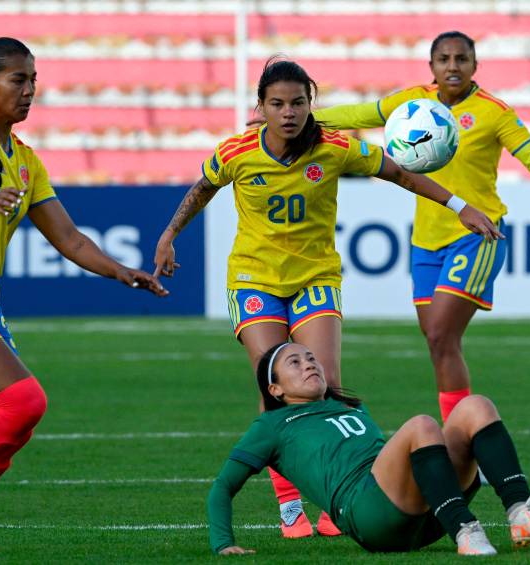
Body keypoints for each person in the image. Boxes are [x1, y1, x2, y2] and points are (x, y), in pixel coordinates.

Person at [155, 57, 501, 539]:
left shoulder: (336, 147)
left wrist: (459, 206)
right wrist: (169, 234)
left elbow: (399, 174)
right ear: (261, 107)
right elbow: (202, 188)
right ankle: (289, 506)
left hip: (315, 276)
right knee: (276, 388)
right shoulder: (236, 152)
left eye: (298, 102)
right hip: (254, 281)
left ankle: (339, 491)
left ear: (309, 104)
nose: (289, 112)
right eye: (277, 104)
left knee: (327, 384)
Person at [0, 37, 167, 553]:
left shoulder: (23, 158)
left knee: (9, 429)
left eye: (33, 80)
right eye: (17, 80)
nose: (28, 91)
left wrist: (120, 272)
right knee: (25, 401)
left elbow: (68, 239)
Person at [313, 31, 530, 424]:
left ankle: (465, 432)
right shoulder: (412, 102)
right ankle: (461, 435)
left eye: (461, 59)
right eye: (444, 59)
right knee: (440, 343)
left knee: (441, 334)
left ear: (475, 66)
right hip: (426, 241)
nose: (453, 66)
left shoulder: (495, 112)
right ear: (432, 67)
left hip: (478, 235)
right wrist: (303, 116)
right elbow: (359, 116)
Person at [208, 342, 530, 556]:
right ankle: (466, 531)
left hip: (421, 514)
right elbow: (223, 486)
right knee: (422, 425)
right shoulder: (272, 425)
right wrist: (223, 544)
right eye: (295, 362)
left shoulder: (348, 406)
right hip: (368, 514)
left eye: (311, 358)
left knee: (477, 406)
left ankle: (521, 515)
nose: (309, 364)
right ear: (275, 391)